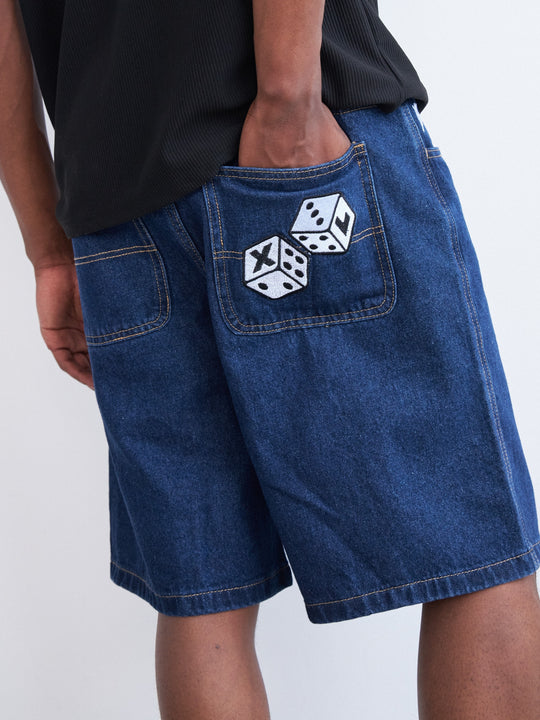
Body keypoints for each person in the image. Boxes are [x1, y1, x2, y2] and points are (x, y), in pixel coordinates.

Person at [2, 0, 540, 718]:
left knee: (204, 589)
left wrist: (47, 241)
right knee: (472, 545)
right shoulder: (287, 118)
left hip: (118, 219)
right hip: (295, 152)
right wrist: (288, 98)